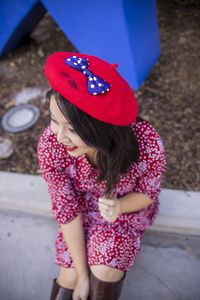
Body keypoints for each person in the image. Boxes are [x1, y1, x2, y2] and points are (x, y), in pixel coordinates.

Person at [37, 52, 166, 300]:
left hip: (123, 212)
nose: (60, 136)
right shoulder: (51, 145)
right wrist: (82, 276)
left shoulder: (147, 144)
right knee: (70, 276)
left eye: (73, 129)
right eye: (54, 121)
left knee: (104, 268)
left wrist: (119, 205)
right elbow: (66, 208)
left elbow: (148, 194)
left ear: (101, 128)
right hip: (80, 211)